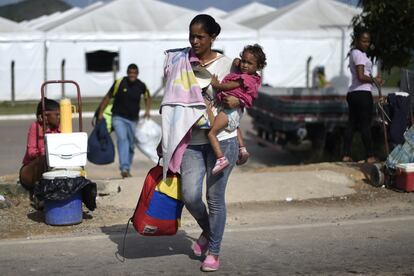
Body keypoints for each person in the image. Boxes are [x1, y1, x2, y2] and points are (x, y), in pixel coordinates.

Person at [160, 14, 241, 272]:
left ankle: (214, 251)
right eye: (191, 36)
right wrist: (166, 137)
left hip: (222, 139)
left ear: (213, 37)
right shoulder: (180, 62)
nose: (194, 41)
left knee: (214, 198)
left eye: (200, 36)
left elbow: (247, 95)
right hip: (191, 140)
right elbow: (172, 104)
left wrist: (236, 102)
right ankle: (209, 232)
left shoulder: (228, 65)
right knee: (191, 196)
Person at [208, 44, 266, 175]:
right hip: (236, 113)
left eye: (249, 63)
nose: (244, 65)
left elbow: (228, 86)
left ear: (258, 66)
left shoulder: (244, 79)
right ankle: (243, 149)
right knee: (236, 128)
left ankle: (221, 158)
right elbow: (238, 62)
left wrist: (216, 84)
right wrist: (238, 61)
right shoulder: (254, 77)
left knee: (212, 133)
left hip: (229, 111)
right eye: (243, 61)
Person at [97, 64, 151, 178]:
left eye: (134, 73)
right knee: (122, 140)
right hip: (118, 117)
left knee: (131, 145)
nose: (132, 75)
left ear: (137, 74)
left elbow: (147, 97)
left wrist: (147, 110)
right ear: (127, 73)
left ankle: (127, 168)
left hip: (133, 120)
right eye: (130, 72)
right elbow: (107, 97)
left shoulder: (141, 85)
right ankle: (124, 168)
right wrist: (101, 112)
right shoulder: (120, 82)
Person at [342, 27, 384, 163]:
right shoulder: (359, 54)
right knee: (366, 125)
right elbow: (361, 76)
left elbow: (361, 75)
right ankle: (370, 156)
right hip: (362, 94)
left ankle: (346, 155)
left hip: (353, 93)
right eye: (363, 41)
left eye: (368, 41)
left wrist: (374, 80)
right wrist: (374, 80)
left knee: (351, 124)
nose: (366, 44)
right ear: (357, 41)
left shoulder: (355, 53)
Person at [19, 98, 60, 192]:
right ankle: (39, 192)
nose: (59, 117)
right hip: (31, 171)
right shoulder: (35, 127)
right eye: (57, 115)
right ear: (45, 116)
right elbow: (31, 152)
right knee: (44, 158)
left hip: (52, 169)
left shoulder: (60, 127)